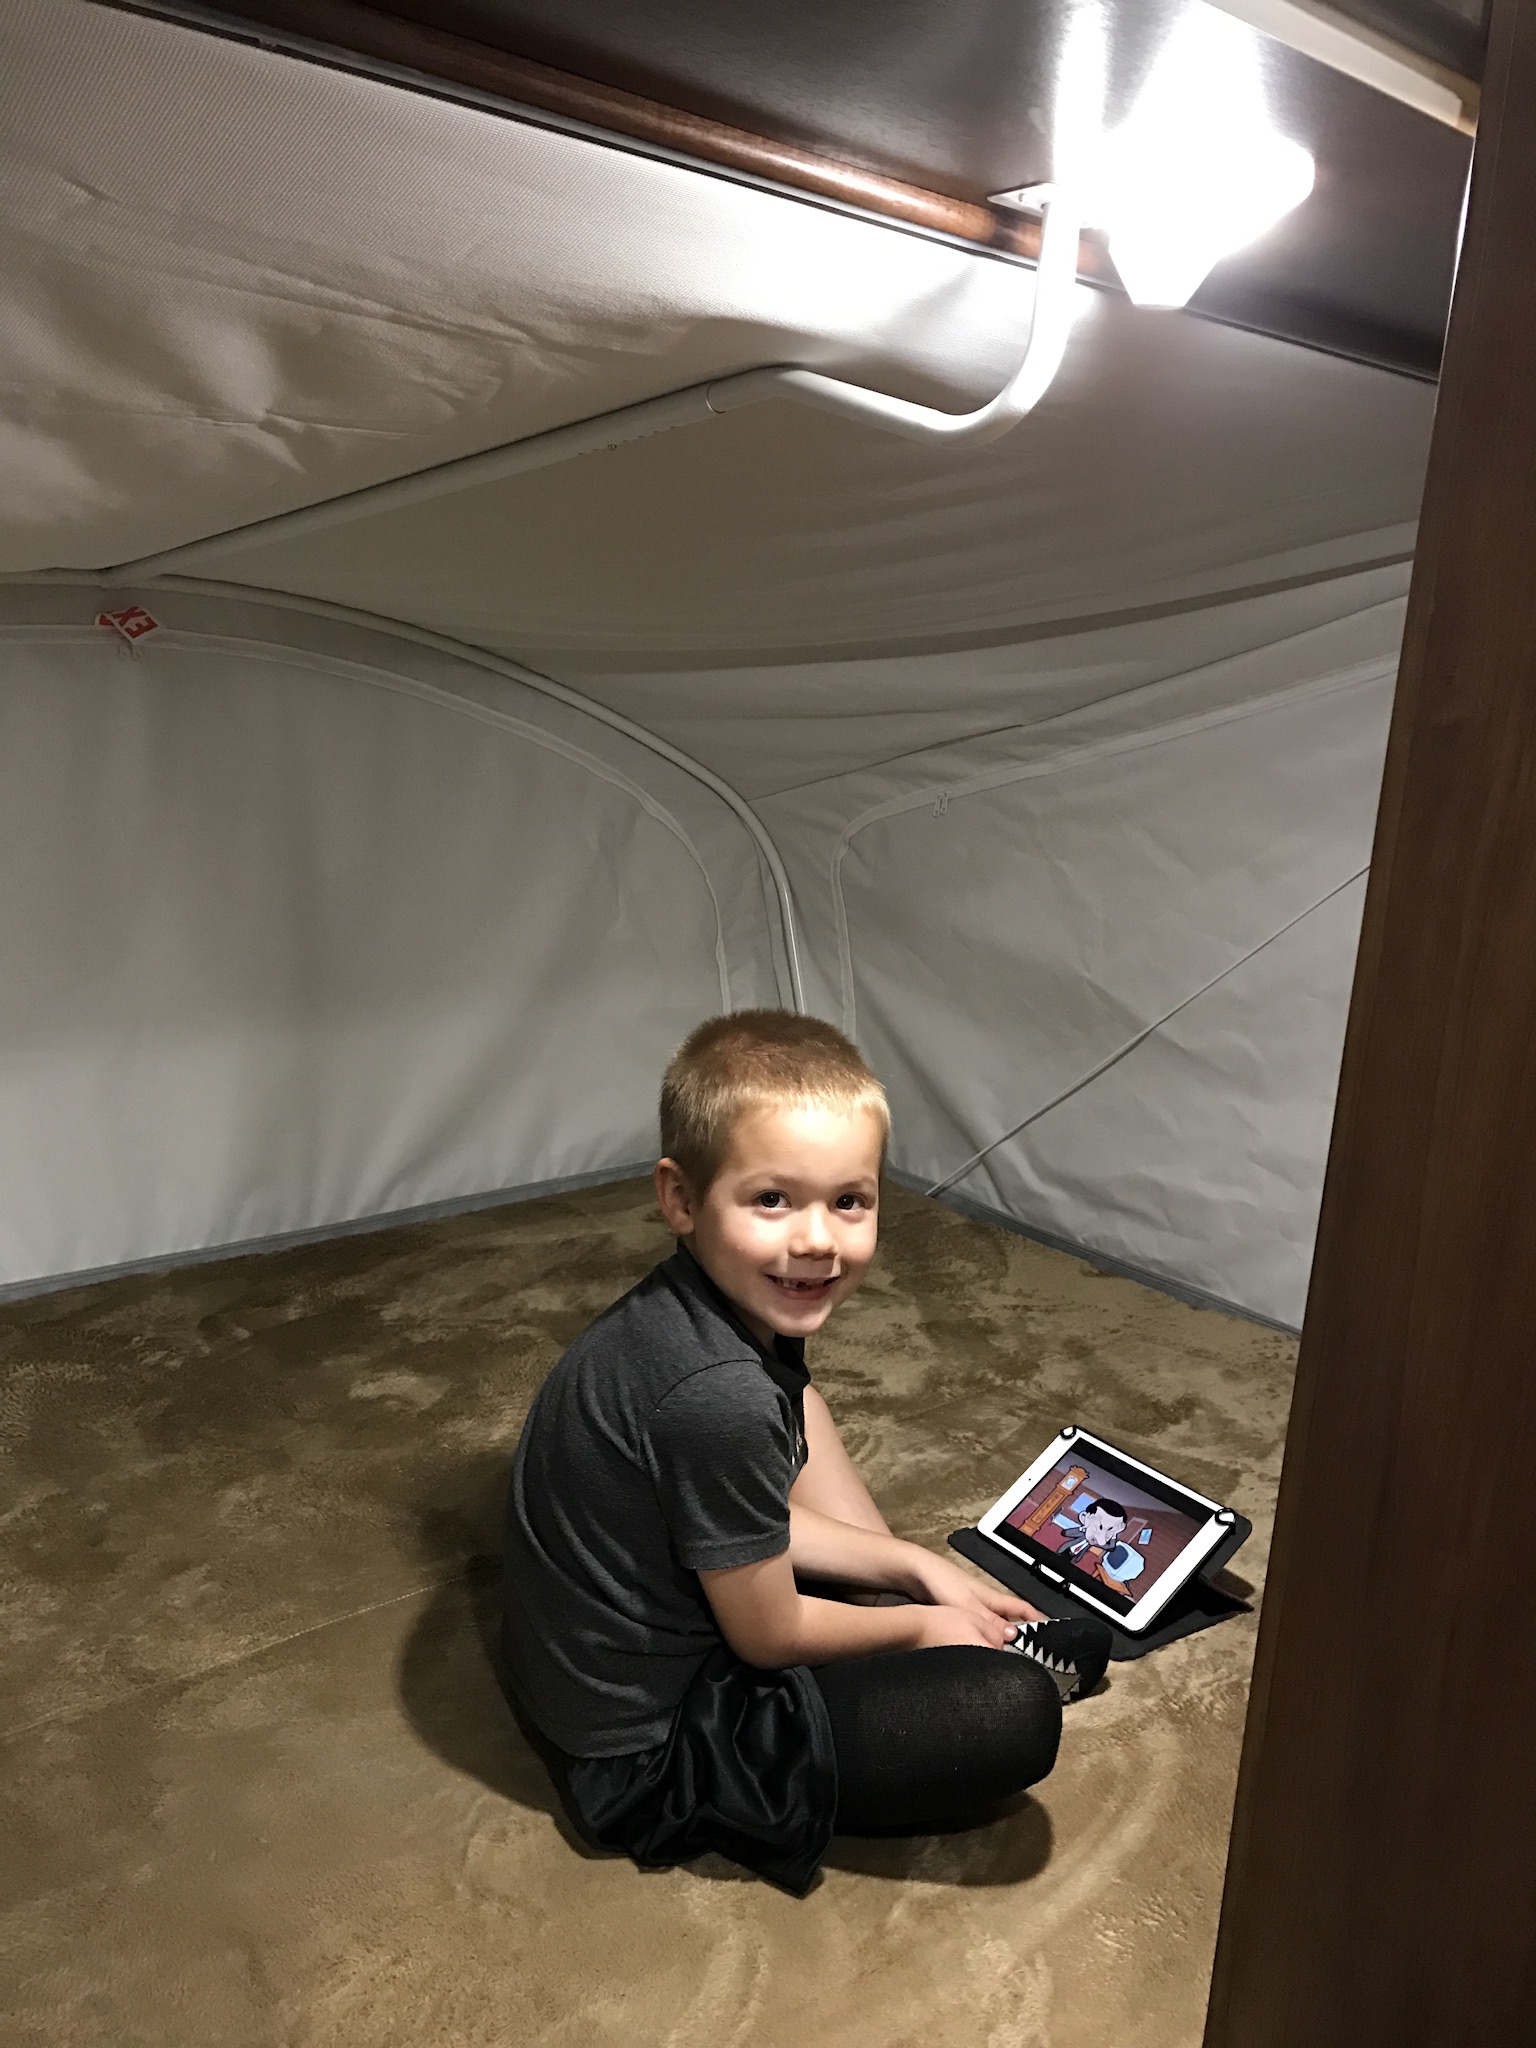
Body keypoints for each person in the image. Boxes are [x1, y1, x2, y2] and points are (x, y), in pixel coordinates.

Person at [500, 1010, 1110, 1893]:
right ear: (679, 1198)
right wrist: (919, 1623)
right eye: (772, 1199)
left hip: (597, 1665)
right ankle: (944, 1652)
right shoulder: (715, 1395)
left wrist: (905, 1564)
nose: (817, 1240)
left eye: (849, 1201)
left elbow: (741, 1513)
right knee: (1008, 1715)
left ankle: (909, 1623)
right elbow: (769, 1636)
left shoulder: (697, 1316)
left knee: (801, 1402)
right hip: (643, 1752)